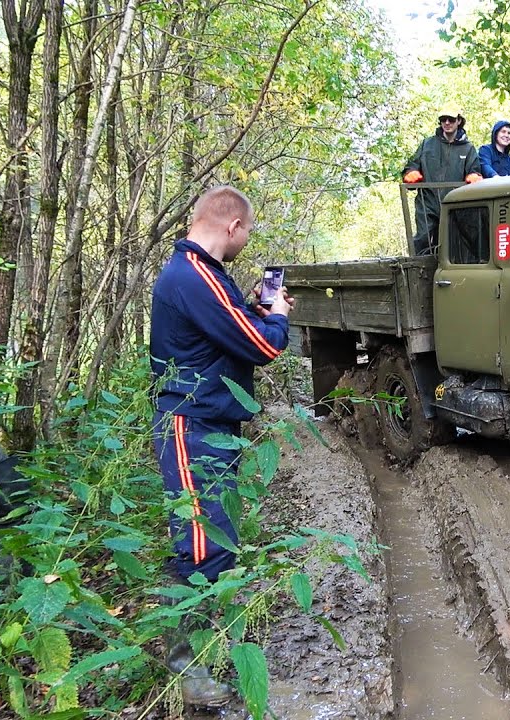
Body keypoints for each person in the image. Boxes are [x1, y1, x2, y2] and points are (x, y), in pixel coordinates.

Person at [149, 185, 294, 707]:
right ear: (232, 226)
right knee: (201, 539)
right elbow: (261, 345)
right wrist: (276, 316)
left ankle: (198, 647)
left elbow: (228, 330)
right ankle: (184, 667)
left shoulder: (202, 276)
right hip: (193, 425)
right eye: (248, 230)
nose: (247, 238)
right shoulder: (195, 276)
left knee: (214, 533)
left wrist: (257, 306)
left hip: (210, 423)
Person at [401, 110, 483, 254]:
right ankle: (417, 272)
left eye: (450, 119)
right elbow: (412, 165)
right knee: (423, 238)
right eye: (443, 119)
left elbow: (474, 169)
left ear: (458, 121)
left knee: (461, 242)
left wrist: (473, 176)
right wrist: (410, 173)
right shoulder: (427, 144)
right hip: (428, 202)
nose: (447, 123)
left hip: (456, 204)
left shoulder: (468, 148)